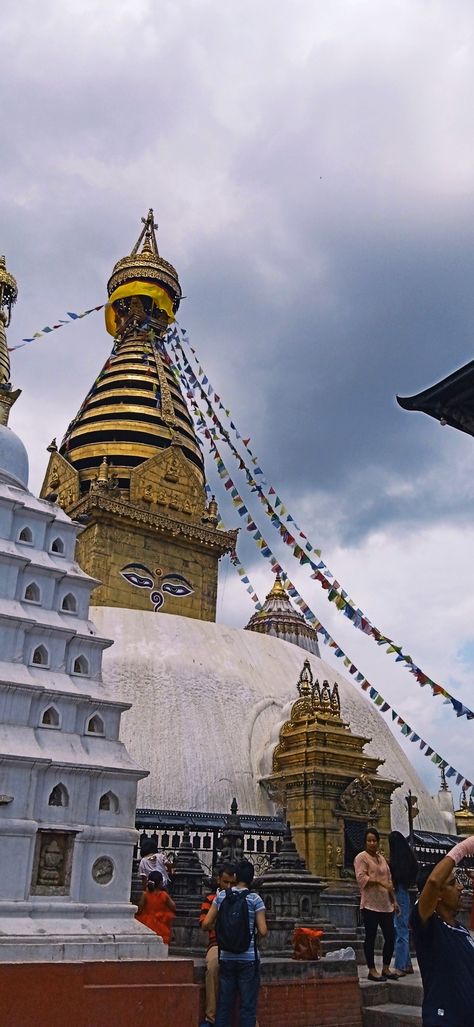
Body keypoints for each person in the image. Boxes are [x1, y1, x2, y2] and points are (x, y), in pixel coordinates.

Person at [410, 835, 474, 1027]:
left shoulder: (461, 931)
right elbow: (433, 883)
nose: (460, 887)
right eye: (453, 883)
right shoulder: (427, 926)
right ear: (437, 896)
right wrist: (463, 848)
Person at [201, 859, 267, 1027]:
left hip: (226, 955)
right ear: (252, 880)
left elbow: (205, 923)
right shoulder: (255, 899)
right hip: (248, 958)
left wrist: (223, 928)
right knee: (247, 1006)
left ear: (236, 876)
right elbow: (264, 931)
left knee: (224, 1005)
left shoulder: (222, 896)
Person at [354, 827, 400, 981]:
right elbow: (361, 878)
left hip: (386, 904)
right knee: (371, 937)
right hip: (370, 905)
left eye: (374, 840)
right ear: (365, 842)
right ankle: (372, 969)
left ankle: (386, 967)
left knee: (390, 937)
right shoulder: (362, 858)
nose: (372, 843)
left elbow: (389, 881)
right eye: (369, 840)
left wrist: (394, 901)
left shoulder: (382, 859)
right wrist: (378, 881)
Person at [199, 862, 237, 1027]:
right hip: (216, 943)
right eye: (225, 882)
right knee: (213, 967)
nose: (229, 886)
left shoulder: (241, 899)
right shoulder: (210, 899)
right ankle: (211, 1017)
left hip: (237, 945)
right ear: (218, 881)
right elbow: (204, 924)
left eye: (232, 883)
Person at [388, 830, 418, 976]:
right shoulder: (408, 858)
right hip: (405, 891)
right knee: (402, 927)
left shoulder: (396, 863)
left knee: (400, 929)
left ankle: (400, 966)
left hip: (399, 891)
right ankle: (406, 964)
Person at [135, 870, 176, 944]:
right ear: (161, 883)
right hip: (161, 923)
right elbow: (173, 906)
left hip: (146, 922)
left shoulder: (145, 894)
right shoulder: (164, 894)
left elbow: (139, 909)